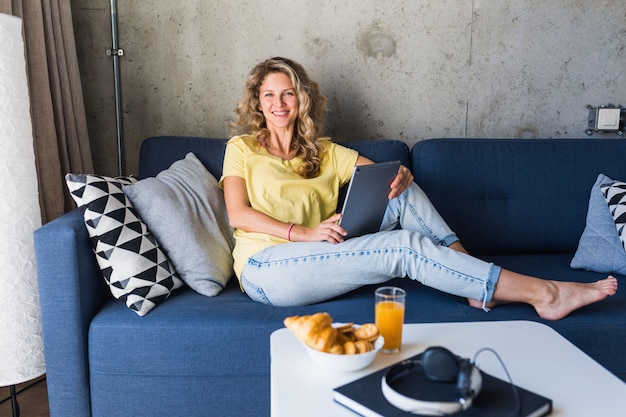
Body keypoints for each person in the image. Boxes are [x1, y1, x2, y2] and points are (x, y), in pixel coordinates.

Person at [219, 56, 617, 320]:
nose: (279, 102)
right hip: (266, 269)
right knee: (402, 248)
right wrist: (304, 233)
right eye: (269, 94)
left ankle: (473, 279)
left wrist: (401, 175)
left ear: (301, 98)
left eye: (287, 92)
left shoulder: (325, 152)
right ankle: (546, 294)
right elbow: (238, 213)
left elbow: (383, 177)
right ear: (258, 102)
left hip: (320, 251)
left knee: (401, 190)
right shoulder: (242, 148)